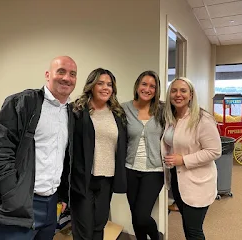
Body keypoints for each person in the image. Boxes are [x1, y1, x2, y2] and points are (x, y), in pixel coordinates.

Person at [0, 56, 77, 240]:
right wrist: (11, 192)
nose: (66, 78)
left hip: (51, 204)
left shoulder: (70, 112)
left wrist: (61, 197)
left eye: (72, 74)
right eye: (61, 71)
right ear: (48, 75)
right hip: (20, 203)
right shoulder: (24, 102)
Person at [71, 68, 127, 240]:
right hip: (83, 179)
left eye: (109, 84)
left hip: (106, 179)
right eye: (100, 83)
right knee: (83, 228)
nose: (105, 88)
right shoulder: (78, 111)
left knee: (99, 225)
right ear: (91, 86)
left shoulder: (117, 114)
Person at [162, 77, 221, 240]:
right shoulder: (171, 117)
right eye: (174, 91)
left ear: (191, 95)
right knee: (187, 227)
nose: (178, 94)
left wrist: (184, 160)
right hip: (177, 179)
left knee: (194, 230)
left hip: (198, 182)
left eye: (183, 90)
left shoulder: (202, 118)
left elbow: (215, 151)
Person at [122, 71, 164, 240]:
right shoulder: (124, 108)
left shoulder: (162, 110)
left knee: (142, 216)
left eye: (152, 86)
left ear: (156, 90)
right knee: (135, 216)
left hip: (154, 170)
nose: (147, 89)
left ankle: (156, 237)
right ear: (137, 86)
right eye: (144, 84)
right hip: (130, 169)